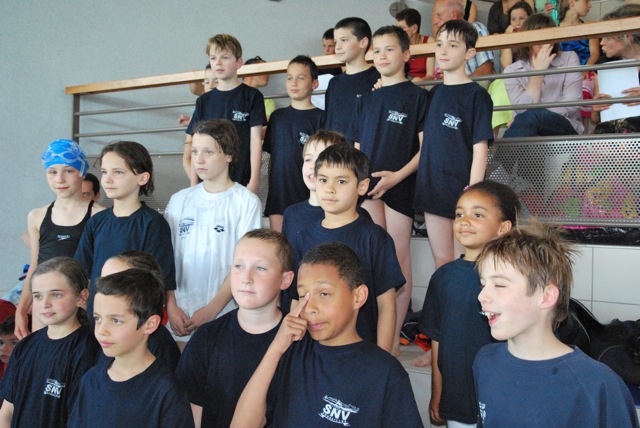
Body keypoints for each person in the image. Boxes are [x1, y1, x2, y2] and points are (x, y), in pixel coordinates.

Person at [230, 242, 423, 427]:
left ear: (358, 297)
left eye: (324, 294)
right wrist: (275, 349)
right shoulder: (289, 353)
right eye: (303, 295)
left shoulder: (384, 372)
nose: (310, 307)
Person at [473, 221, 639, 427]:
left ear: (546, 297)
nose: (481, 296)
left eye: (499, 285)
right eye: (483, 284)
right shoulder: (485, 362)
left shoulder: (597, 385)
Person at [349, 25, 428, 356]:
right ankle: (373, 333)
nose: (382, 56)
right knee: (369, 259)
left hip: (399, 185)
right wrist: (359, 183)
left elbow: (425, 149)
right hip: (367, 187)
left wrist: (396, 177)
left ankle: (393, 338)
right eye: (377, 51)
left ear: (406, 54)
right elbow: (356, 149)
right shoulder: (367, 99)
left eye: (390, 49)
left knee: (397, 258)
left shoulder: (419, 97)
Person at [414, 181, 520, 427]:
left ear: (503, 227)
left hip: (504, 396)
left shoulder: (515, 278)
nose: (464, 221)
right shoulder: (444, 277)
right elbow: (437, 340)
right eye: (459, 214)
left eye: (478, 215)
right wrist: (438, 392)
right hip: (458, 398)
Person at [177, 229, 294, 427]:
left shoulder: (299, 342)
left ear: (285, 280)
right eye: (238, 266)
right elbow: (190, 412)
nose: (246, 278)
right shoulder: (206, 337)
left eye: (260, 268)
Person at [289, 145, 401, 353]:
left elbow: (387, 305)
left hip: (362, 351)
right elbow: (296, 300)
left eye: (341, 181)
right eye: (323, 180)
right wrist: (293, 351)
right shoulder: (302, 239)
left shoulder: (375, 238)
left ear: (362, 186)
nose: (330, 189)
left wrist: (382, 357)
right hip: (313, 352)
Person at [165, 120, 261, 348]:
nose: (198, 160)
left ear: (229, 155)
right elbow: (165, 259)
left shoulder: (246, 202)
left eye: (208, 152)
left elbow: (244, 263)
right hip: (180, 317)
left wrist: (212, 309)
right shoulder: (179, 200)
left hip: (224, 314)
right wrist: (171, 305)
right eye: (195, 151)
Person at [73, 141, 179, 330]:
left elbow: (161, 279)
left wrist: (170, 306)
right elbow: (82, 271)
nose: (107, 179)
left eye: (118, 172)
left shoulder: (153, 223)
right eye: (104, 172)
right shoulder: (96, 222)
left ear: (142, 178)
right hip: (96, 320)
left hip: (133, 321)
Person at [68, 269, 193, 427]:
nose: (101, 330)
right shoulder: (90, 381)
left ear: (149, 324)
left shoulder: (166, 391)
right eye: (98, 318)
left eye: (116, 321)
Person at [414, 20, 492, 270]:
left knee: (465, 259)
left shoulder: (477, 96)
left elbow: (480, 150)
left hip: (461, 189)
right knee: (441, 259)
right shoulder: (433, 94)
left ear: (470, 53)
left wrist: (472, 194)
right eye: (439, 44)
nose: (444, 51)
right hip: (432, 187)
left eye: (453, 45)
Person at [16, 139, 104, 339]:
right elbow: (34, 267)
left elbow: (102, 270)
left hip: (82, 306)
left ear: (82, 172)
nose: (60, 179)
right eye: (52, 172)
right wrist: (21, 310)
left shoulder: (99, 215)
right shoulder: (37, 216)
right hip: (44, 309)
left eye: (68, 171)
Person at [0, 257, 99, 427]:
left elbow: (82, 418)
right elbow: (7, 411)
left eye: (56, 295)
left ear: (82, 297)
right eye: (38, 296)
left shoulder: (88, 351)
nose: (45, 304)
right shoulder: (24, 346)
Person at [182, 34, 266, 190]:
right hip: (207, 182)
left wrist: (254, 180)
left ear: (238, 62)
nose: (218, 63)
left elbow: (255, 140)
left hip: (240, 179)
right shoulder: (203, 101)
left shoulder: (252, 96)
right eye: (213, 58)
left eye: (225, 57)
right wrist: (193, 184)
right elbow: (195, 144)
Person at [264, 55, 325, 232]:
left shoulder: (322, 118)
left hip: (310, 198)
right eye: (289, 78)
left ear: (314, 83)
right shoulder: (277, 117)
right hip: (279, 197)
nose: (294, 83)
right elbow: (272, 158)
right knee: (279, 246)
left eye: (301, 78)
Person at [98, 251, 181, 372]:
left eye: (117, 285)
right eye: (103, 283)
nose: (106, 292)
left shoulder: (159, 346)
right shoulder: (107, 336)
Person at [503, 14, 584, 137]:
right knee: (529, 122)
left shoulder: (569, 58)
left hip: (565, 126)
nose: (543, 43)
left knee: (532, 116)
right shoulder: (512, 70)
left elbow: (572, 103)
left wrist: (526, 117)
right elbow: (521, 109)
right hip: (529, 132)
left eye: (547, 37)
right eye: (537, 38)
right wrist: (538, 74)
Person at [324, 17, 381, 139]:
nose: (338, 47)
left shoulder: (379, 78)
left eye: (344, 40)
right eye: (336, 42)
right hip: (335, 149)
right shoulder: (334, 83)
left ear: (363, 42)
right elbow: (329, 123)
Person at [591, 3, 640, 134]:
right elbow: (596, 120)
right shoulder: (604, 65)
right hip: (614, 132)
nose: (602, 42)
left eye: (607, 37)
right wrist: (595, 110)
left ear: (628, 38)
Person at [430, 0, 494, 81]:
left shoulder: (476, 29)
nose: (435, 22)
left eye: (439, 15)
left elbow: (486, 69)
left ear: (453, 15)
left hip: (472, 84)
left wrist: (460, 84)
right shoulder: (442, 38)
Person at [396, 8, 430, 81]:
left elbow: (430, 75)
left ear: (414, 28)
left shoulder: (429, 41)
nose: (398, 33)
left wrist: (415, 84)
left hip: (423, 84)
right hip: (404, 83)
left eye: (401, 29)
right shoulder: (398, 44)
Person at [312, 29, 343, 110]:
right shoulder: (318, 65)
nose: (326, 50)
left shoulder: (343, 64)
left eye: (330, 46)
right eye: (324, 46)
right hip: (319, 104)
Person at [499, 1, 535, 67]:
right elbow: (507, 65)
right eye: (513, 19)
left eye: (521, 18)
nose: (517, 23)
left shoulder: (536, 36)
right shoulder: (506, 39)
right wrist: (507, 38)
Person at [243, 56, 276, 121]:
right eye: (264, 70)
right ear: (250, 70)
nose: (268, 74)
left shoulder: (267, 101)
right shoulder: (232, 95)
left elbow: (264, 125)